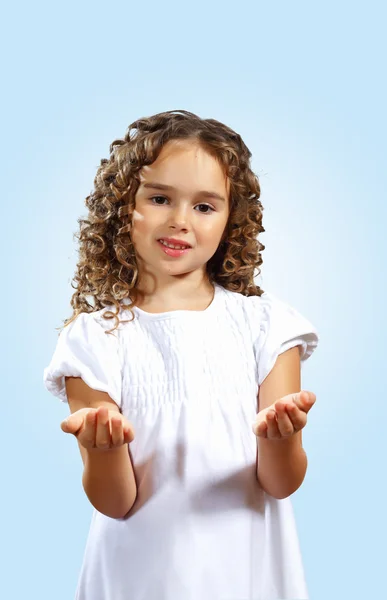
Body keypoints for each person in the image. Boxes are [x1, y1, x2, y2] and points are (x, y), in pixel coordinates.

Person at [43, 109, 319, 600]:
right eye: (159, 198)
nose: (179, 221)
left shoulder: (267, 327)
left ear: (231, 219)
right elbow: (115, 501)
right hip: (136, 577)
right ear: (122, 206)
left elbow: (280, 483)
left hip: (246, 574)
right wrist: (104, 451)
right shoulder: (93, 340)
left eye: (204, 207)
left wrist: (282, 438)